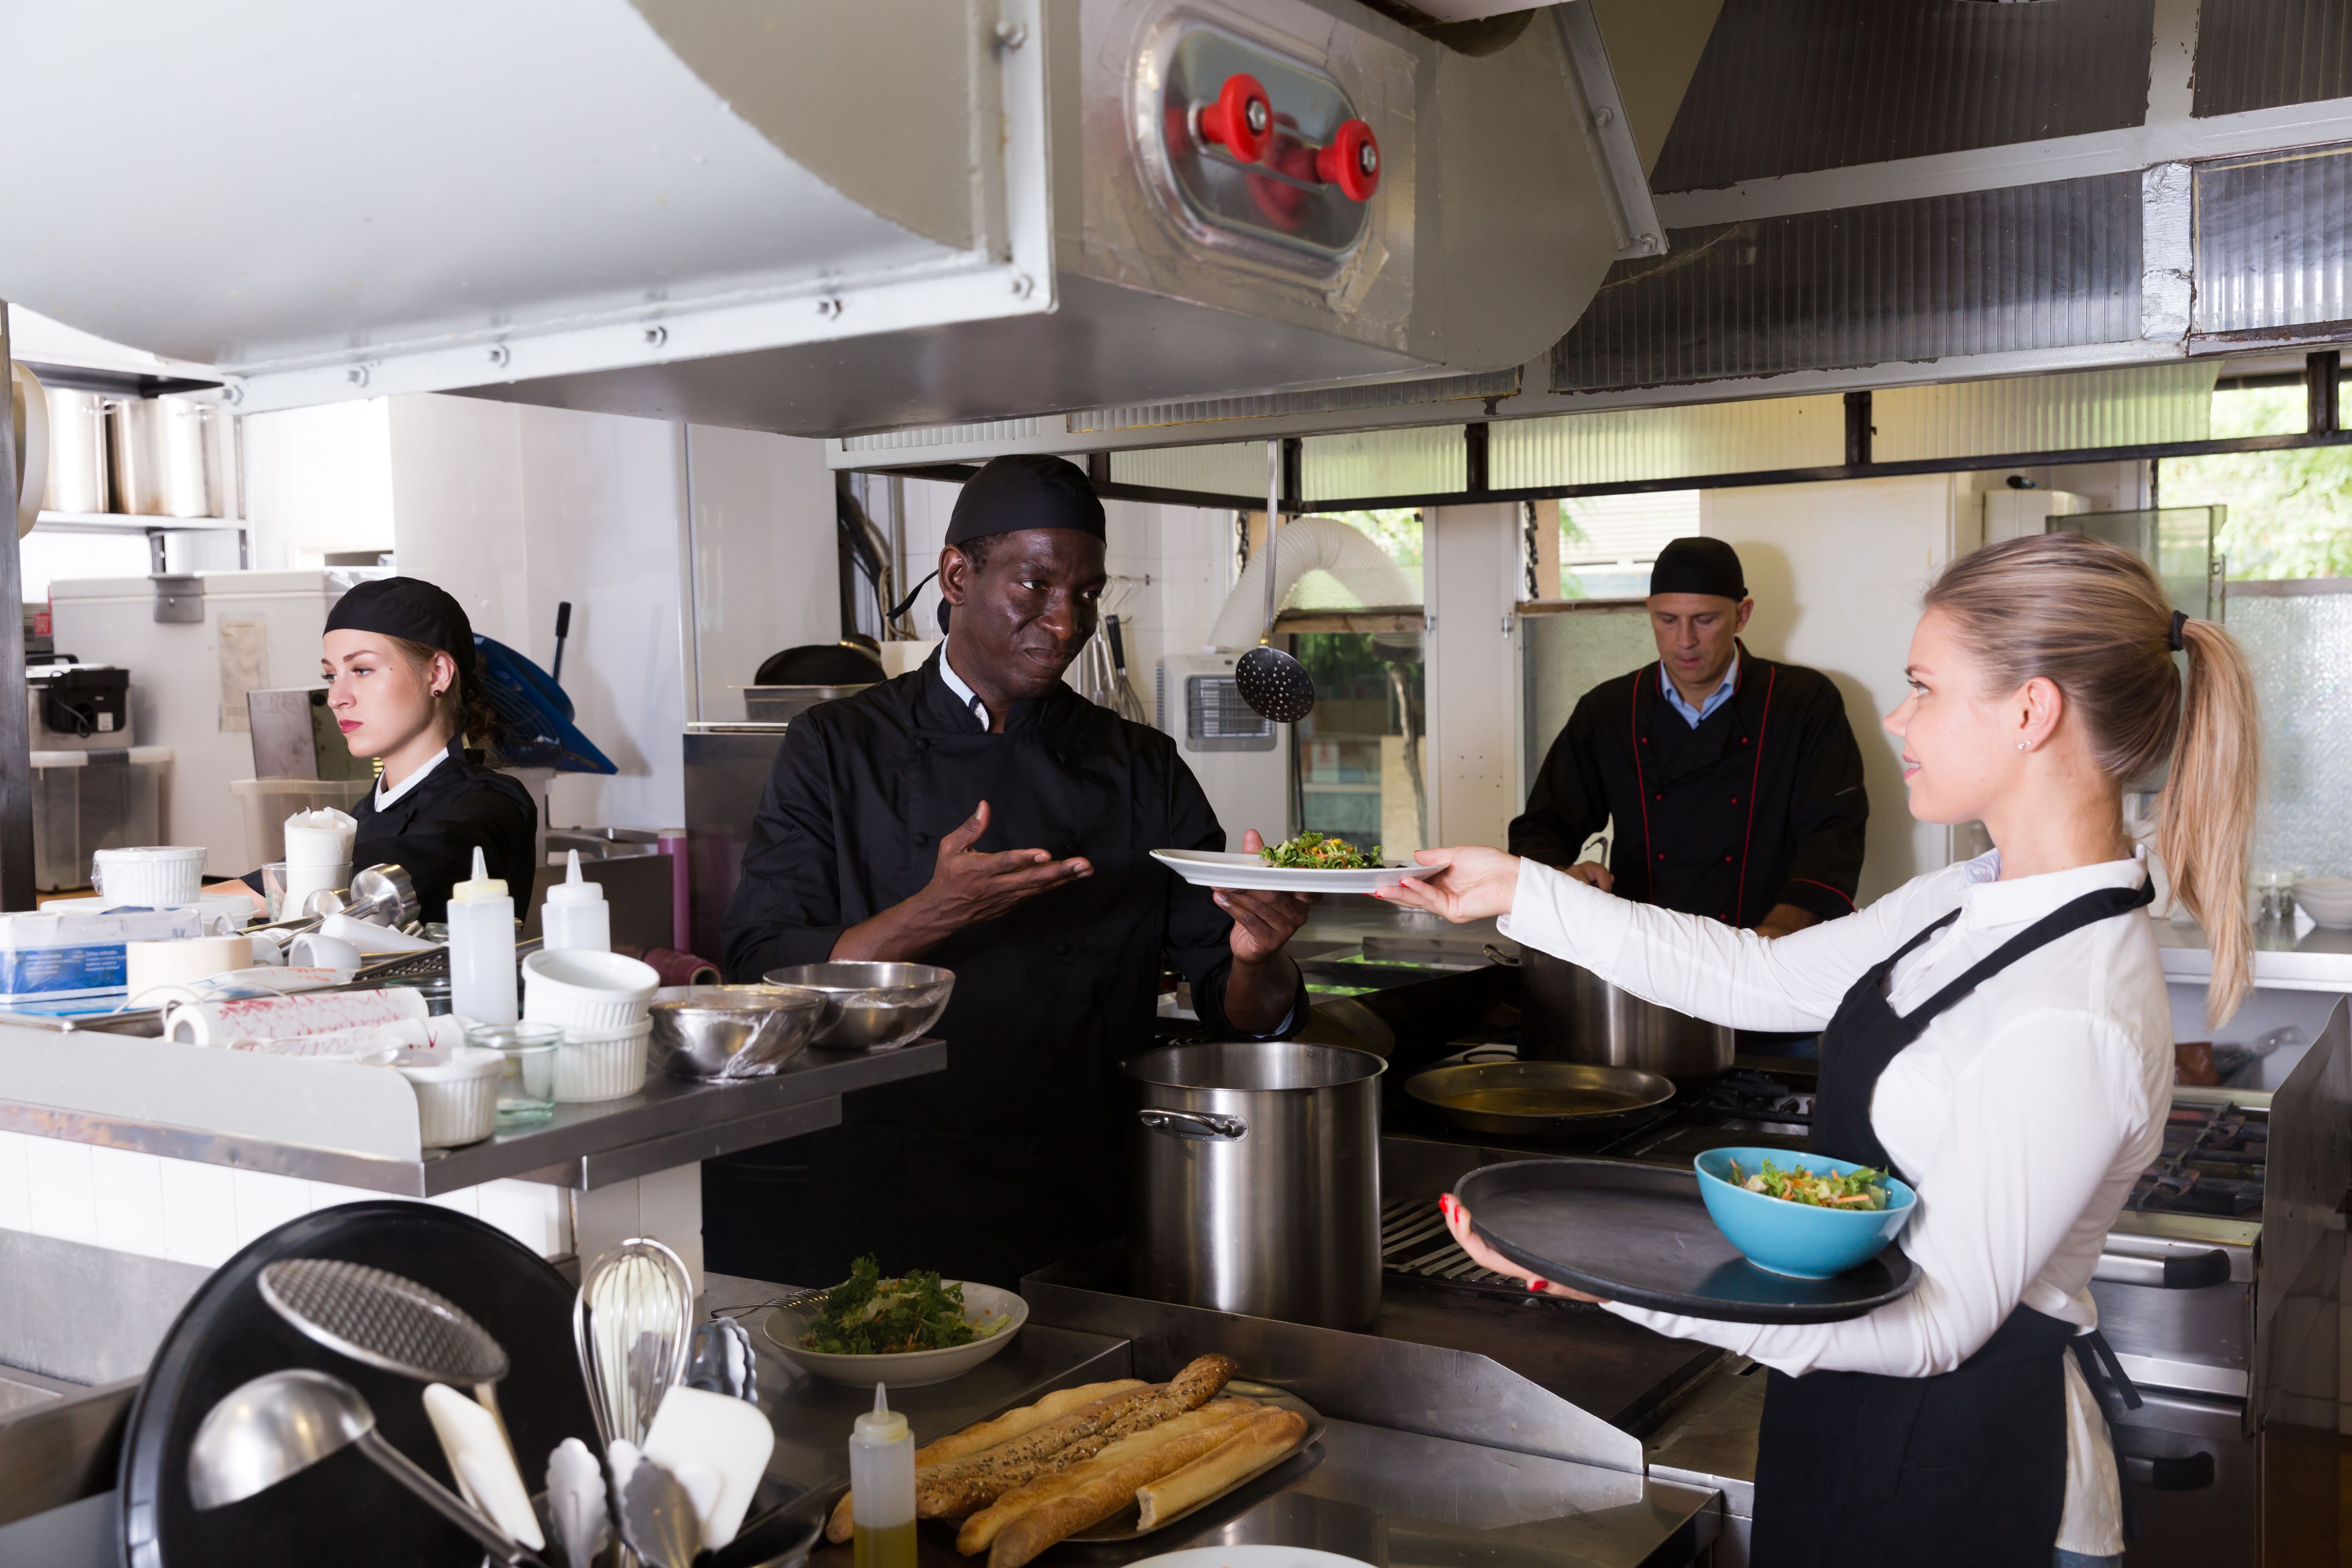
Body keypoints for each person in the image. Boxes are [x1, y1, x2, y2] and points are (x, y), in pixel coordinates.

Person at [1380, 533, 2258, 1568]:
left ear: (2030, 712)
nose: (1896, 718)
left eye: (1923, 688)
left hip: (1974, 1478)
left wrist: (1616, 1282)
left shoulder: (2073, 1007)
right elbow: (1760, 978)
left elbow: (1931, 1328)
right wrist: (1520, 888)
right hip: (1854, 1436)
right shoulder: (1973, 894)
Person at [715, 454, 1312, 1288]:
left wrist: (1260, 959)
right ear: (957, 576)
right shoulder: (837, 748)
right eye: (1036, 586)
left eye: (1087, 594)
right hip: (893, 1193)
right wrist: (932, 913)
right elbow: (761, 969)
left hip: (1089, 1200)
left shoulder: (1142, 766)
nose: (1066, 622)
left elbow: (1241, 1007)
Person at [1512, 537, 1867, 940]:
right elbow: (1542, 826)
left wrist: (1775, 936)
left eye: (1704, 620)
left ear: (1742, 615)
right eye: (1668, 620)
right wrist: (1562, 877)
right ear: (1650, 611)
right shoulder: (1609, 711)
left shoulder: (1803, 704)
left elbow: (1834, 836)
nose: (1685, 641)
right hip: (1643, 948)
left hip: (1766, 950)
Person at [216, 576, 537, 922]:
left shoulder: (491, 805)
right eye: (331, 676)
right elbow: (281, 883)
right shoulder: (365, 813)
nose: (336, 698)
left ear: (438, 674)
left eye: (362, 670)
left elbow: (419, 864)